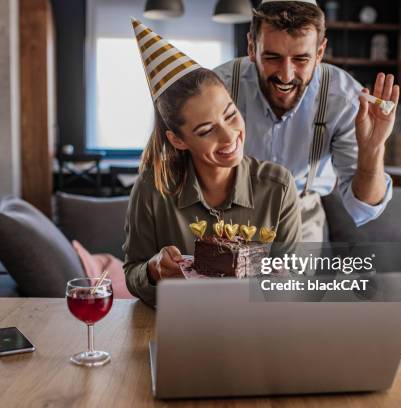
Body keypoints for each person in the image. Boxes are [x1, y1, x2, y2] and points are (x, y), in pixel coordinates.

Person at [123, 19, 302, 307]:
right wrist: (154, 270)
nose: (229, 135)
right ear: (178, 140)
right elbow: (133, 273)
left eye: (230, 114)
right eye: (206, 131)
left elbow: (291, 281)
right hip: (179, 328)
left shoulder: (278, 187)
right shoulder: (152, 188)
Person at [214, 0, 400, 242]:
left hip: (302, 221)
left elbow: (364, 207)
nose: (286, 75)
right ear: (251, 46)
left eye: (301, 59)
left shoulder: (344, 100)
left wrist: (373, 149)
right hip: (225, 217)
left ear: (320, 53)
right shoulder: (219, 88)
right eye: (272, 57)